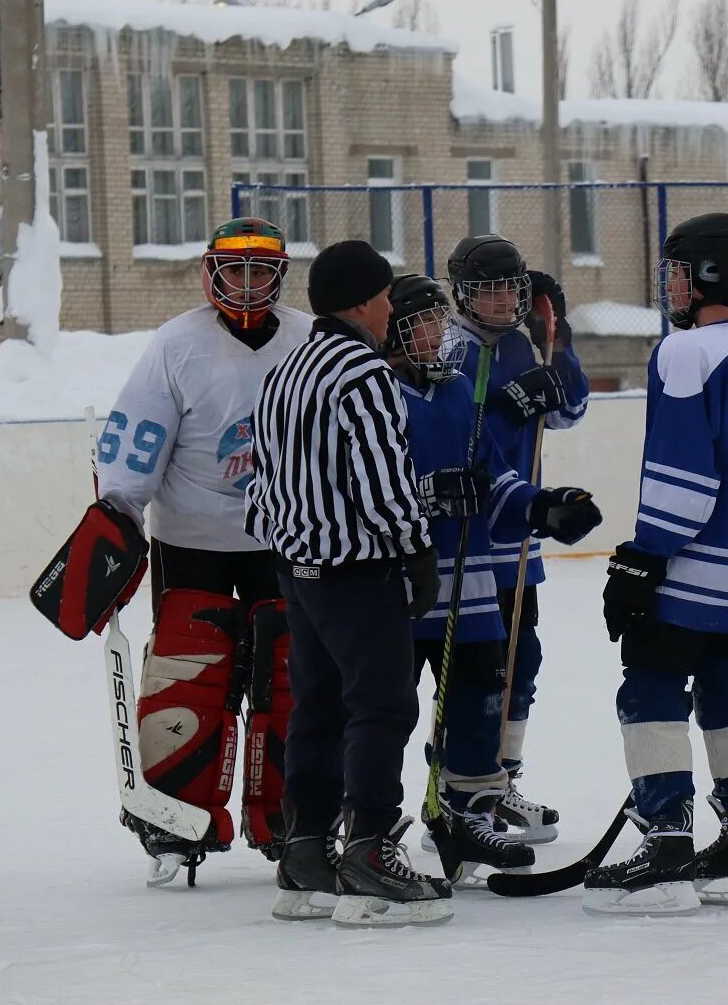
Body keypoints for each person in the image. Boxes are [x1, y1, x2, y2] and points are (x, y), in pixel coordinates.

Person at [33, 217, 312, 887]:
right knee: (192, 673)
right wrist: (118, 526)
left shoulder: (309, 339)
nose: (247, 283)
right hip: (192, 543)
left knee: (291, 676)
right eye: (235, 269)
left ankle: (291, 813)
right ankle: (174, 813)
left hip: (285, 539)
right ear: (210, 272)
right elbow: (134, 444)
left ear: (280, 273)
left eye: (260, 269)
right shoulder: (176, 344)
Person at [583, 212, 728, 916]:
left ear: (705, 274)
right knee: (727, 683)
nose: (669, 283)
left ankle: (669, 847)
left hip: (693, 563)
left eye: (677, 269)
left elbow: (685, 474)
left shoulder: (685, 354)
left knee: (648, 684)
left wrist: (645, 558)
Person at [246, 240, 453, 928]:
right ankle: (368, 852)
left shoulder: (285, 370)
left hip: (298, 571)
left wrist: (288, 552)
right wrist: (415, 550)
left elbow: (262, 484)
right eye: (387, 296)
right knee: (383, 706)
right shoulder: (361, 373)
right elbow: (382, 483)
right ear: (364, 301)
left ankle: (304, 855)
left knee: (319, 703)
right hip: (356, 571)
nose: (393, 307)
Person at [383, 274, 599, 886]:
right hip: (400, 588)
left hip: (472, 584)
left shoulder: (455, 393)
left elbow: (493, 476)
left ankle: (468, 812)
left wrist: (540, 507)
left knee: (481, 700)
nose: (434, 335)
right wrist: (425, 496)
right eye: (422, 324)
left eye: (435, 321)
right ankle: (365, 823)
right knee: (384, 710)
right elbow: (360, 489)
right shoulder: (373, 394)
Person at [446, 235, 590, 842]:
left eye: (513, 289)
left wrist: (562, 346)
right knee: (474, 670)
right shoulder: (449, 345)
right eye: (490, 289)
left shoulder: (521, 341)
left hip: (520, 535)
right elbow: (457, 430)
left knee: (518, 661)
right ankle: (463, 790)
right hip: (472, 538)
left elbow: (569, 410)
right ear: (462, 293)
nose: (505, 300)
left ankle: (501, 783)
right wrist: (508, 404)